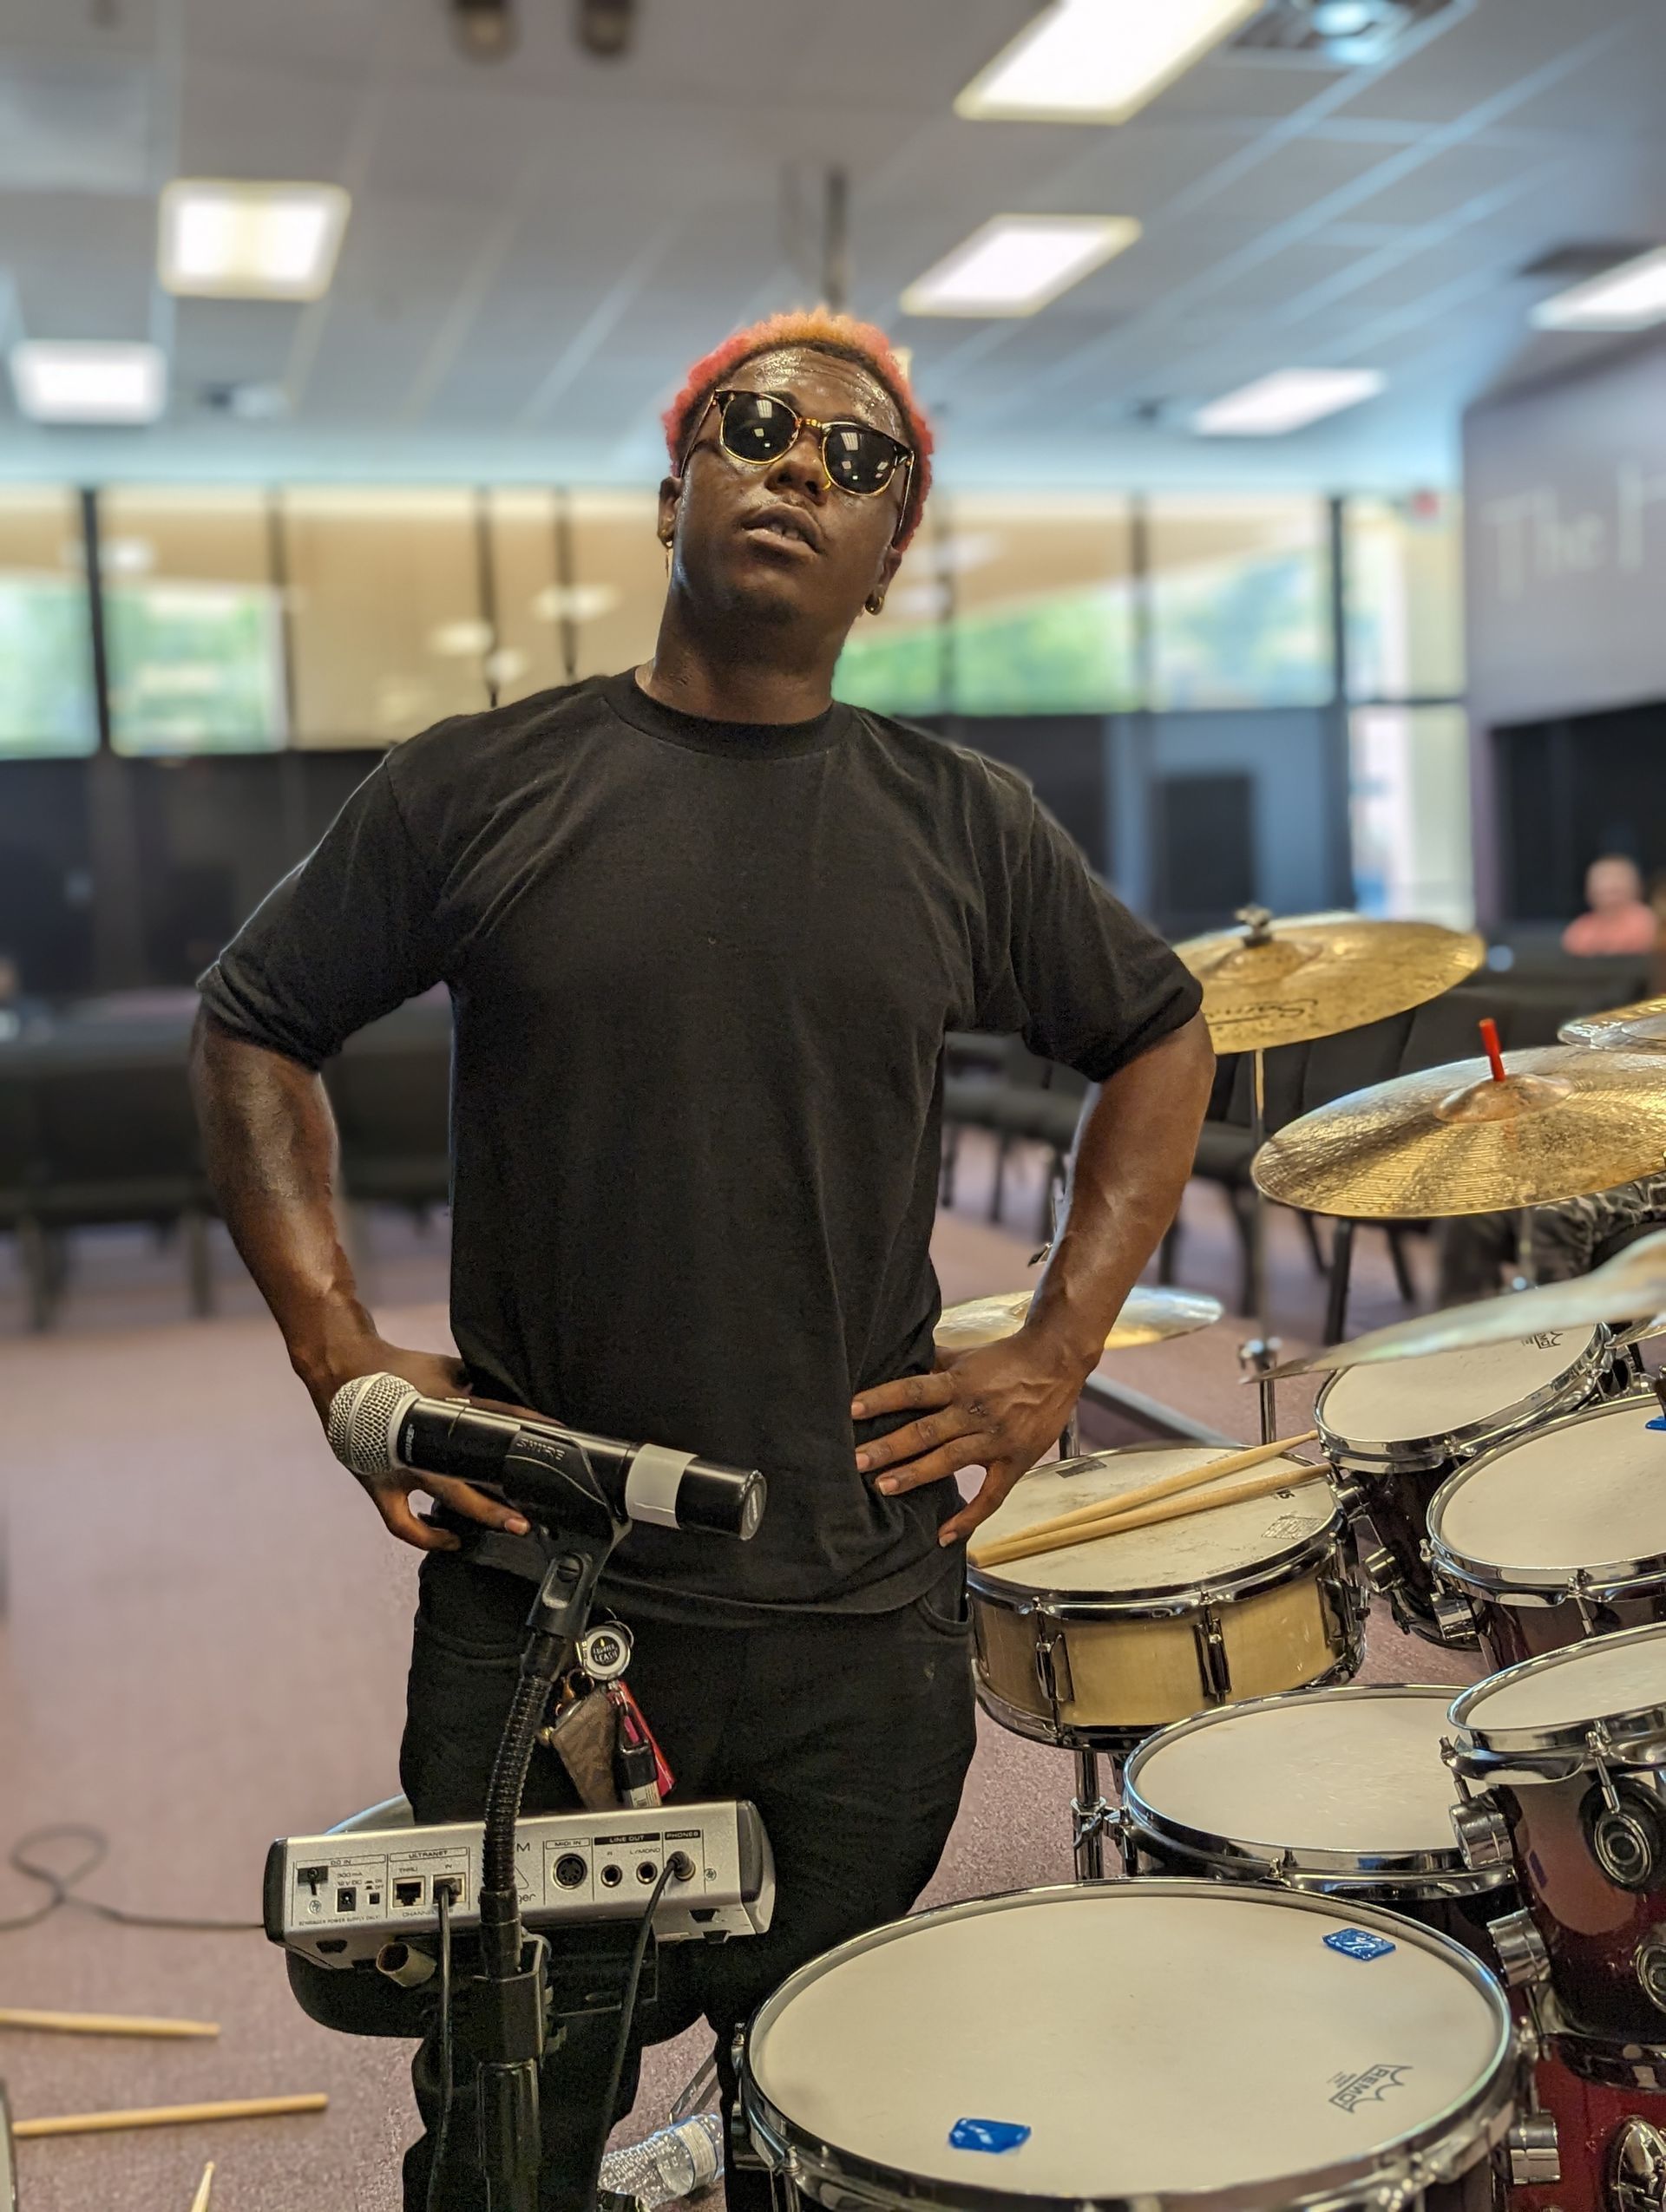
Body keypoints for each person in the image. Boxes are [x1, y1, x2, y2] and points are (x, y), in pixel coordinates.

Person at [189, 306, 1214, 2212]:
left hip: (854, 1603)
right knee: (510, 2136)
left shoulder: (961, 825)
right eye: (756, 428)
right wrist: (345, 1360)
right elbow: (253, 1019)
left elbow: (1162, 1035)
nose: (801, 468)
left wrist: (1061, 1344)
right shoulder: (477, 786)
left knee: (838, 2126)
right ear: (675, 485)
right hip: (545, 1612)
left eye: (860, 458)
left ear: (891, 556)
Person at [1562, 854, 1657, 957]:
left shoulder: (1652, 925)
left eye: (1618, 878)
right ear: (1588, 890)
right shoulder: (1579, 931)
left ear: (1637, 887)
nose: (1609, 885)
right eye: (1602, 879)